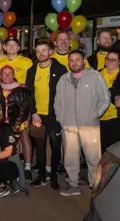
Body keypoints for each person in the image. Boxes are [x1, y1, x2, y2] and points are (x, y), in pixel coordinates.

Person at [54, 50, 110, 196]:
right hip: (69, 127)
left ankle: (95, 186)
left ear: (83, 61)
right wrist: (62, 119)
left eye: (77, 59)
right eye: (71, 60)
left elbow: (104, 99)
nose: (74, 62)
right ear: (68, 62)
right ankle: (73, 185)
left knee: (93, 158)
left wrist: (94, 115)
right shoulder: (63, 79)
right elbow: (57, 102)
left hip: (90, 126)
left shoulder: (95, 76)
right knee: (70, 158)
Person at [26, 41, 67, 190]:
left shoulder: (60, 69)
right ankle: (42, 176)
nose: (41, 54)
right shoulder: (31, 71)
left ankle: (54, 177)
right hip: (38, 116)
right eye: (38, 51)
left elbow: (65, 93)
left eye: (44, 50)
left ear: (50, 52)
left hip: (54, 115)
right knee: (40, 146)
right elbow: (29, 94)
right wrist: (34, 113)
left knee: (56, 146)